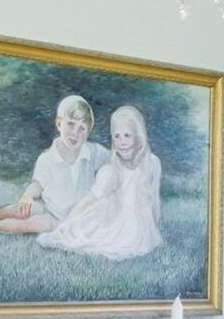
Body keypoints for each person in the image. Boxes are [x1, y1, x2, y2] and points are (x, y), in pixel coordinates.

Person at [0, 94, 107, 236]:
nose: (75, 133)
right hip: (48, 206)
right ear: (59, 124)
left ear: (87, 133)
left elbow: (114, 162)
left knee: (32, 224)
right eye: (71, 124)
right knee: (21, 209)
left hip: (61, 219)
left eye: (82, 129)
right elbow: (38, 184)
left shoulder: (94, 152)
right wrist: (27, 196)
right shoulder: (48, 158)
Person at [38, 102, 166, 261]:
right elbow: (89, 199)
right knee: (85, 230)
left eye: (127, 135)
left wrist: (154, 229)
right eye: (117, 136)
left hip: (138, 227)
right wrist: (66, 221)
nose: (122, 142)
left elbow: (154, 199)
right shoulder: (112, 170)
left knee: (126, 240)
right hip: (115, 221)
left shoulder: (152, 163)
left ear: (139, 136)